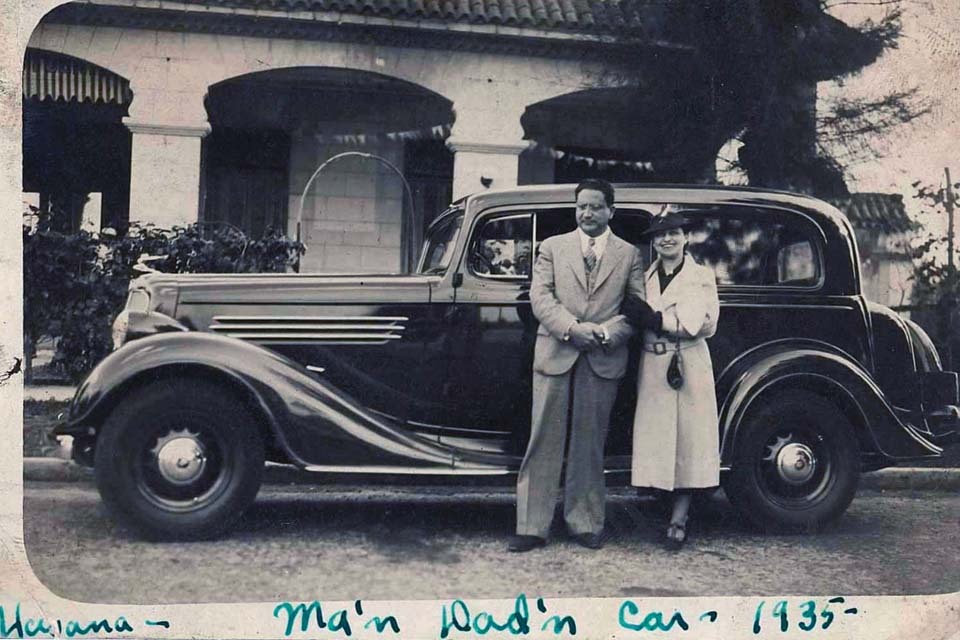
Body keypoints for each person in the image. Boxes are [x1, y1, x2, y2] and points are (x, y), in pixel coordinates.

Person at [509, 179, 646, 553]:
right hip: (556, 350)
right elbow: (540, 297)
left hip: (602, 357)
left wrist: (601, 334)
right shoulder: (552, 247)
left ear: (610, 211)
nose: (587, 213)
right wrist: (572, 330)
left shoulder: (630, 254)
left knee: (590, 442)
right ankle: (531, 526)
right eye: (581, 206)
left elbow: (636, 308)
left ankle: (584, 522)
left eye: (595, 207)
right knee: (543, 440)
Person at [624, 209, 721, 551]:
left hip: (686, 362)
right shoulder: (647, 275)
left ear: (686, 238)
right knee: (659, 439)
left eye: (674, 233)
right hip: (653, 362)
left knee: (688, 439)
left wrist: (651, 317)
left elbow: (694, 322)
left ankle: (680, 518)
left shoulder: (699, 276)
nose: (667, 239)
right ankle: (663, 506)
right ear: (653, 241)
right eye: (660, 235)